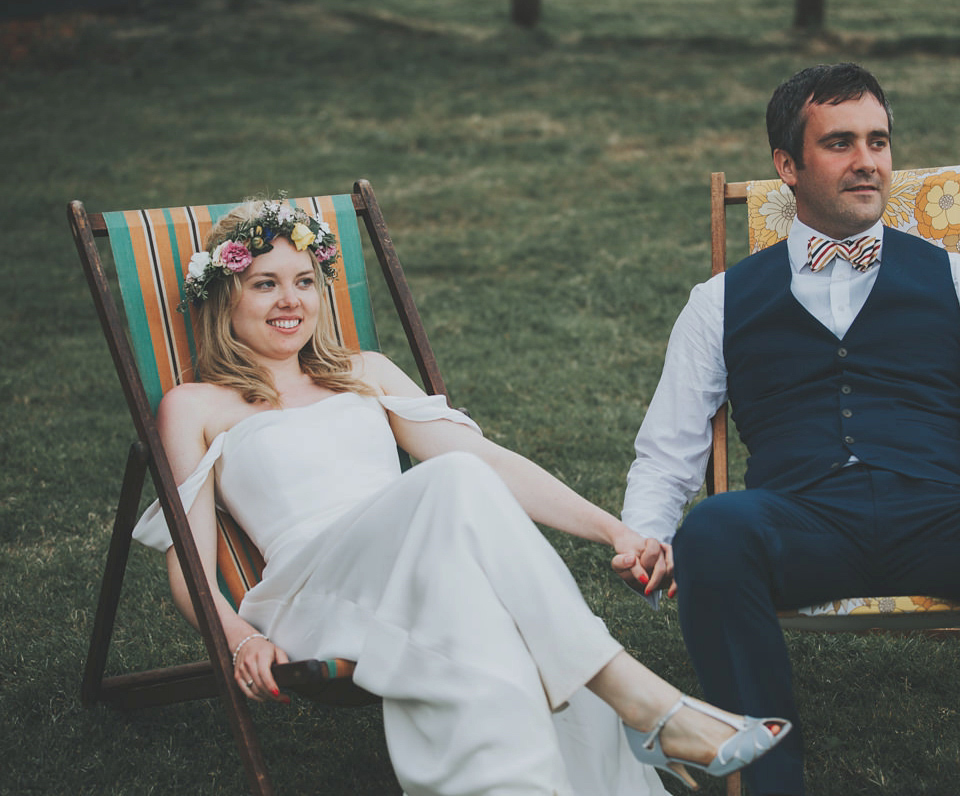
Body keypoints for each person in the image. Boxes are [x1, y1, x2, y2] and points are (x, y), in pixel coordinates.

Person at [131, 198, 792, 796]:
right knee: (449, 480)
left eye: (305, 282)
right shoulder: (194, 406)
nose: (290, 301)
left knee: (485, 604)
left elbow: (487, 461)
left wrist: (615, 532)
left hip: (421, 569)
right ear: (226, 296)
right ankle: (642, 701)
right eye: (264, 284)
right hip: (316, 595)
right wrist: (242, 640)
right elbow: (188, 563)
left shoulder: (364, 372)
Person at [617, 63, 960, 796]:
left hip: (943, 512)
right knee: (714, 532)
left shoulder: (959, 280)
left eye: (879, 142)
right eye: (841, 143)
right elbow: (670, 446)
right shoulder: (719, 302)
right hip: (801, 520)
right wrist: (645, 535)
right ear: (787, 165)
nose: (867, 161)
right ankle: (769, 779)